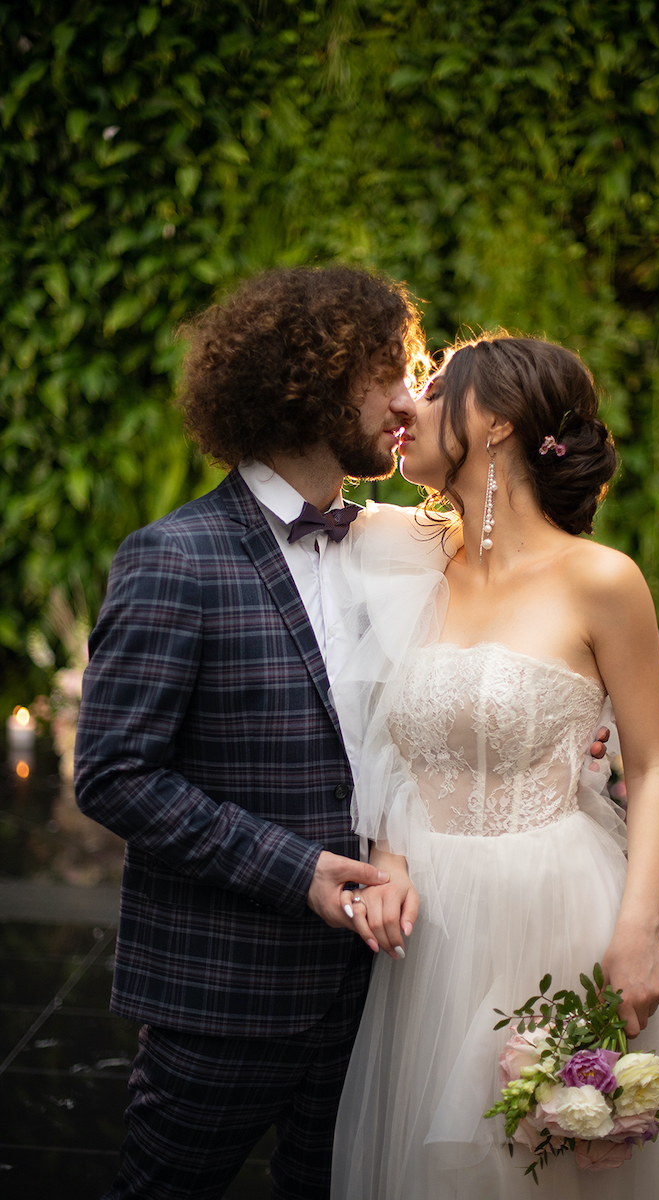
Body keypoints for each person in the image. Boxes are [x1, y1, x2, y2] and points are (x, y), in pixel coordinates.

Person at [330, 335, 659, 1199]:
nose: (410, 408)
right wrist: (390, 852)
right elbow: (381, 736)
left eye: (436, 388)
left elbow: (653, 766)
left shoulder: (602, 580)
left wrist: (639, 931)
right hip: (424, 925)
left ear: (498, 421)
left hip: (554, 904)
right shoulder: (402, 553)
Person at [72, 265, 427, 1200]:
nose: (408, 400)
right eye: (386, 375)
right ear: (311, 382)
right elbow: (114, 773)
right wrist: (296, 871)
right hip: (221, 994)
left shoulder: (395, 548)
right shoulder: (172, 556)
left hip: (376, 993)